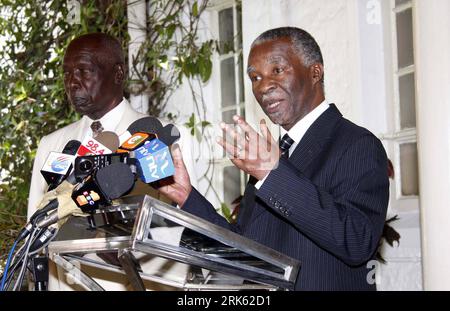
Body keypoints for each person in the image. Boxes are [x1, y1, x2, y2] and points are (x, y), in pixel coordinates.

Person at [157, 27, 390, 290]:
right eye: (255, 77)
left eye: (277, 71)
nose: (263, 86)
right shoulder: (274, 155)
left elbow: (357, 241)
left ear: (315, 72)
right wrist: (188, 198)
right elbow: (244, 249)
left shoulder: (357, 144)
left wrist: (272, 174)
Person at [28, 33, 197, 290]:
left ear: (118, 74)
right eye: (67, 74)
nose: (72, 82)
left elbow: (189, 232)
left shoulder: (163, 137)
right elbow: (34, 232)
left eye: (84, 71)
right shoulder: (51, 144)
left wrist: (129, 252)